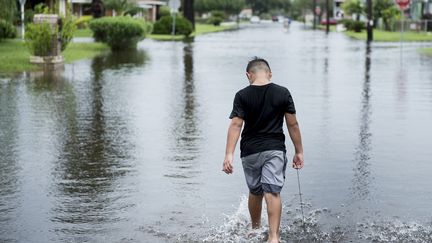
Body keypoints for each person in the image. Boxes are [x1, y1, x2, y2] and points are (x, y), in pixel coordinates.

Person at [222, 57, 304, 243]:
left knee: (255, 191)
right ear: (269, 73)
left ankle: (255, 228)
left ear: (248, 75)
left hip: (249, 152)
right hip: (274, 150)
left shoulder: (242, 95)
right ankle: (273, 237)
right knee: (272, 191)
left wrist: (228, 154)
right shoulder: (283, 93)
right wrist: (299, 151)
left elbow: (236, 125)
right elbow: (293, 124)